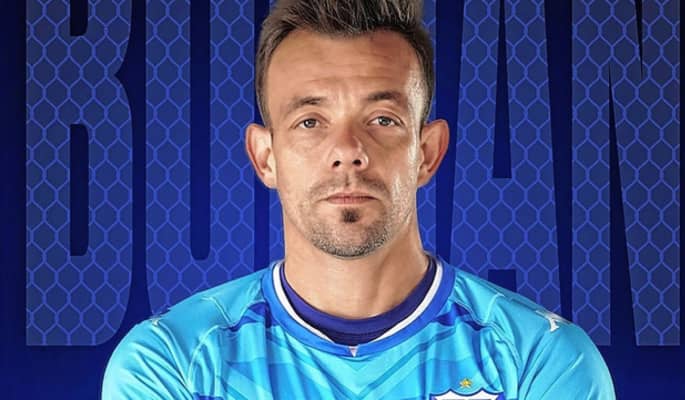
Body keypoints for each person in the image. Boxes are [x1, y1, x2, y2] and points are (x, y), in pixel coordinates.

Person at [102, 0, 615, 398]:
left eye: (382, 119)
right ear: (265, 157)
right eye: (310, 121)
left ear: (427, 152)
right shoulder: (172, 363)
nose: (348, 149)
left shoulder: (539, 360)